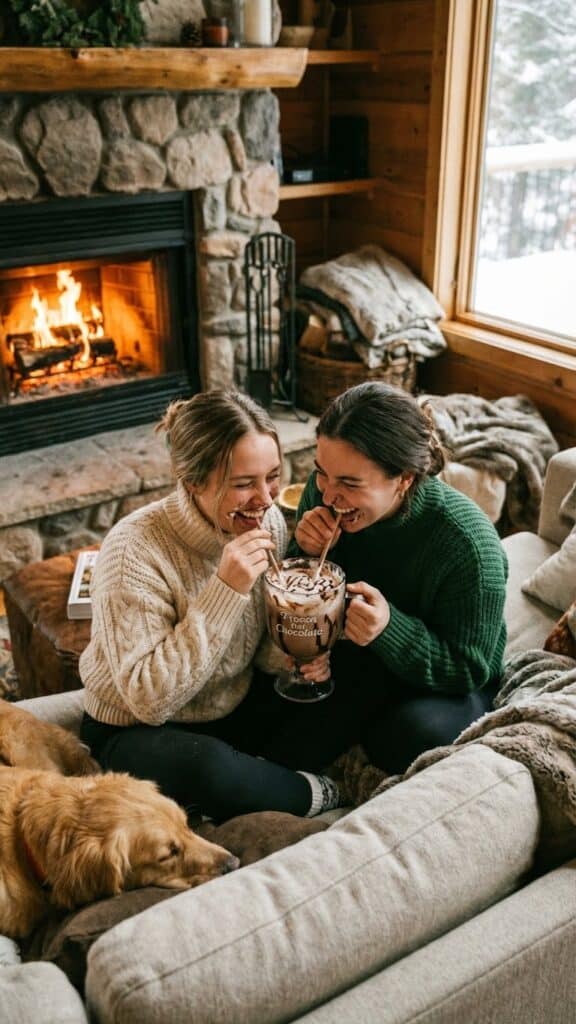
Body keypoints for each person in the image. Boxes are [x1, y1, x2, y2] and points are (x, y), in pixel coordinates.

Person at [79, 390, 341, 822]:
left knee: (347, 685)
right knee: (208, 767)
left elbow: (258, 653)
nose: (266, 498)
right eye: (243, 484)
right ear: (193, 480)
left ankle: (255, 781)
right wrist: (226, 589)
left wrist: (298, 657)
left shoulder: (268, 522)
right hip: (139, 730)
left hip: (230, 706)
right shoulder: (132, 550)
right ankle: (312, 792)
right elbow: (150, 701)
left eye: (272, 476)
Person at [287, 381, 508, 775]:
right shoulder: (324, 493)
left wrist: (389, 630)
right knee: (286, 732)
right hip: (363, 660)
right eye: (322, 474)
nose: (328, 496)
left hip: (447, 678)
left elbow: (470, 668)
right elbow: (300, 593)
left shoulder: (469, 544)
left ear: (403, 479)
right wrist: (303, 552)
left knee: (409, 736)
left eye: (350, 484)